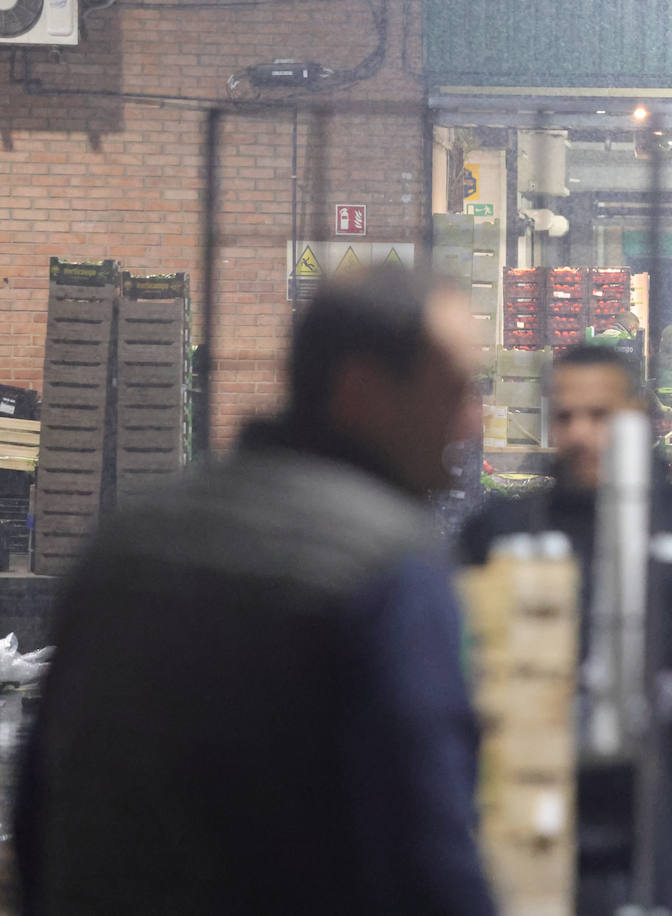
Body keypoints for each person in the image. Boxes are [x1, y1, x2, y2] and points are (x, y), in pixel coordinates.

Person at [16, 266, 495, 914]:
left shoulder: (125, 545)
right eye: (454, 389)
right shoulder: (387, 568)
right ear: (361, 391)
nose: (470, 421)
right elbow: (427, 856)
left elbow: (38, 805)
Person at [458, 345, 672, 914]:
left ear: (639, 419)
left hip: (660, 833)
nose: (581, 434)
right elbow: (446, 674)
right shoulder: (502, 535)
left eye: (601, 416)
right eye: (565, 417)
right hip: (528, 840)